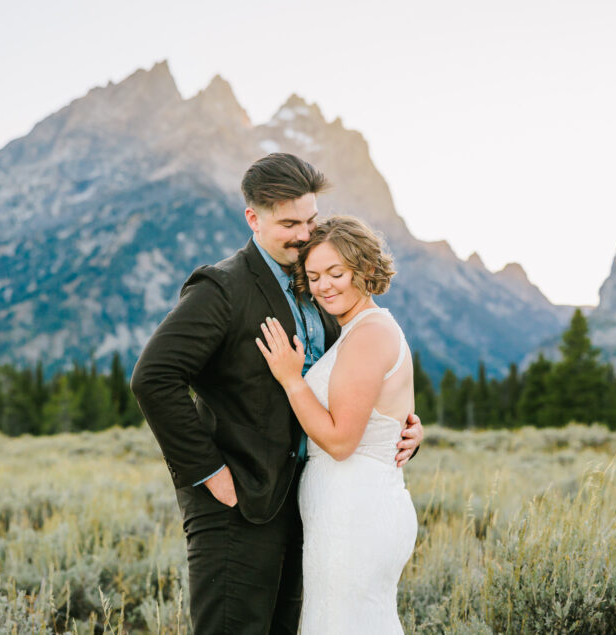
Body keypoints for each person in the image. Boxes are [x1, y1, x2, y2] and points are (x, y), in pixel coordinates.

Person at [130, 153, 423, 634]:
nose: (304, 234)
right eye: (289, 223)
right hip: (237, 504)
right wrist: (208, 471)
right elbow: (153, 377)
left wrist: (400, 428)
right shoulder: (222, 288)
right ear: (254, 218)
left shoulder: (318, 286)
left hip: (306, 503)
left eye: (310, 220)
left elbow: (354, 384)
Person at [256, 216, 418, 634]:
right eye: (313, 276)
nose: (324, 285)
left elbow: (341, 441)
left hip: (355, 515)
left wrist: (292, 380)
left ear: (365, 271)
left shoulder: (368, 334)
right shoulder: (361, 331)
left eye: (336, 273)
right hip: (348, 512)